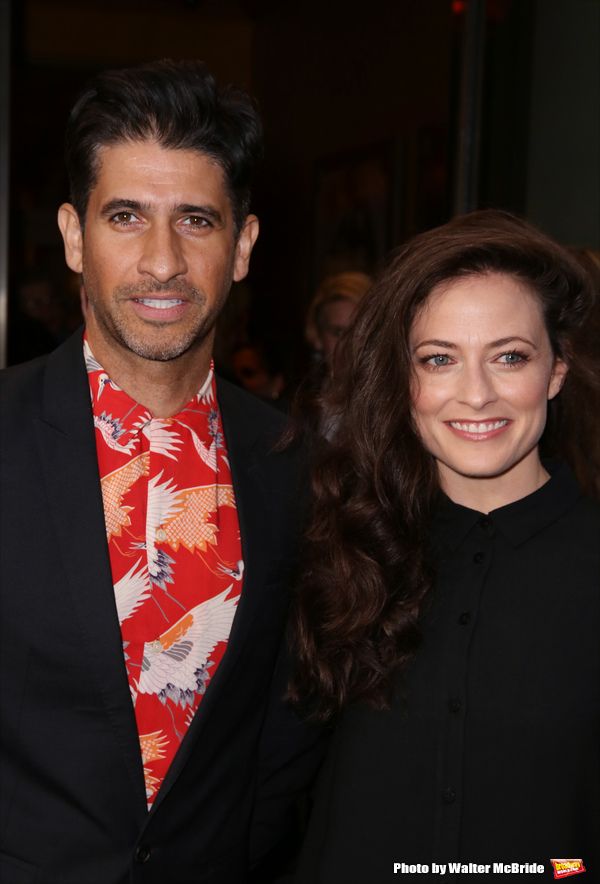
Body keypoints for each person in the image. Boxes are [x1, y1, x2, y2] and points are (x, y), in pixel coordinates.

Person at [0, 59, 322, 884]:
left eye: (197, 221)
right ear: (74, 237)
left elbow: (294, 721)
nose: (163, 261)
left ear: (243, 246)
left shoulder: (299, 464)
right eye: (126, 216)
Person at [290, 210, 600, 883]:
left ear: (557, 370)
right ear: (405, 381)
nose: (477, 394)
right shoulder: (339, 549)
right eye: (439, 359)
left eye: (510, 356)